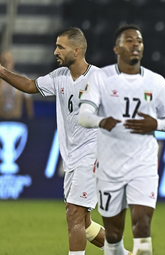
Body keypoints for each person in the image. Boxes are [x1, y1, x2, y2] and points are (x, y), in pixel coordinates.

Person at [0, 27, 120, 255]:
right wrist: (2, 71)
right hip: (72, 157)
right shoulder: (59, 78)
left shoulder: (100, 79)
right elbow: (29, 86)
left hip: (94, 155)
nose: (55, 51)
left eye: (60, 47)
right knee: (83, 224)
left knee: (73, 213)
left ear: (76, 51)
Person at [78, 24, 165, 255]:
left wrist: (157, 124)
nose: (135, 44)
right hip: (109, 168)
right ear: (116, 48)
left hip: (143, 166)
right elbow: (84, 116)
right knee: (114, 236)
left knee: (142, 227)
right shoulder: (101, 78)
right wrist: (100, 121)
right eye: (129, 40)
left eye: (139, 41)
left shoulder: (156, 82)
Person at [0, 50, 34, 120]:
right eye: (4, 61)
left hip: (16, 119)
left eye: (9, 61)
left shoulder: (22, 78)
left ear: (13, 61)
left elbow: (28, 103)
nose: (6, 64)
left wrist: (31, 121)